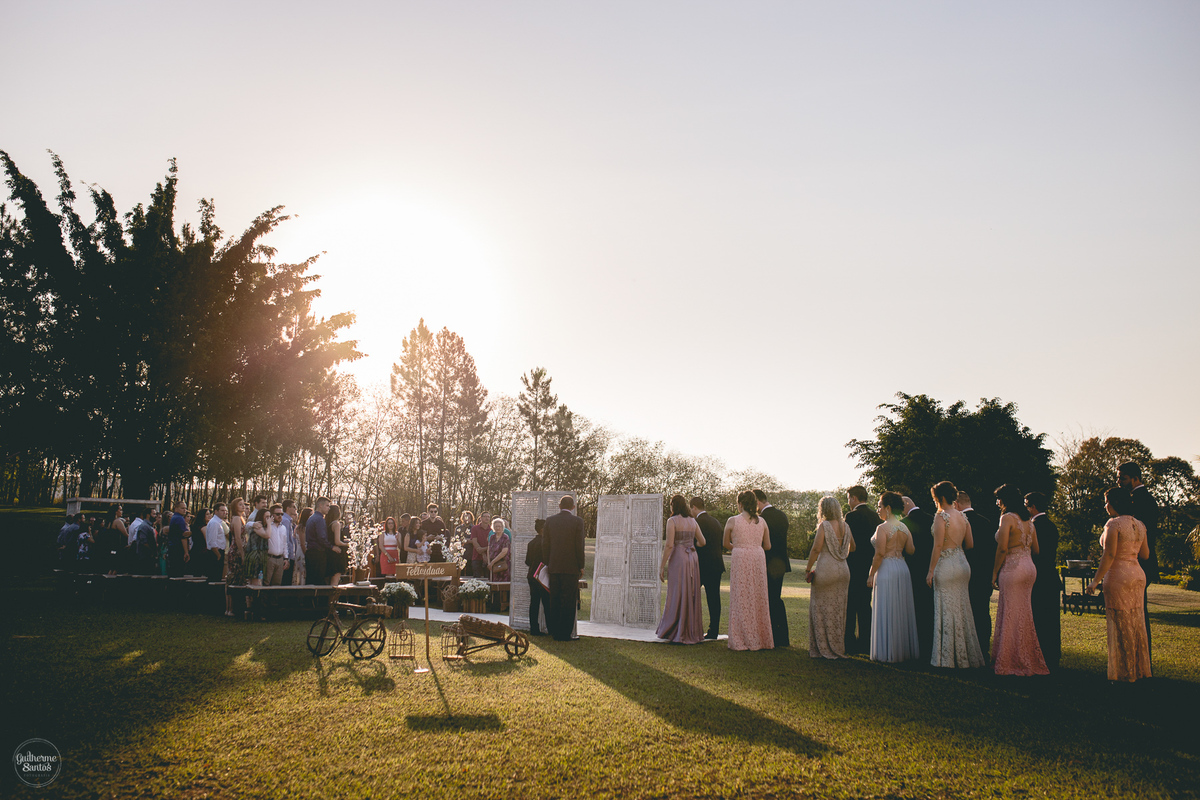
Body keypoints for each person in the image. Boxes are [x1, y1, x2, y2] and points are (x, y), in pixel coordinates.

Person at [1087, 487, 1151, 682]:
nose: (1105, 506)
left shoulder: (1113, 524)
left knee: (1121, 623)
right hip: (1138, 574)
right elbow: (1145, 555)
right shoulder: (1140, 524)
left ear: (1114, 503)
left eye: (1106, 501)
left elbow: (1110, 554)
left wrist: (1095, 581)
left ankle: (1125, 672)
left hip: (1119, 577)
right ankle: (1139, 669)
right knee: (1136, 621)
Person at [991, 484, 1048, 676]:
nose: (997, 502)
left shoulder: (1007, 518)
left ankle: (1009, 661)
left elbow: (1002, 548)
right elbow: (1037, 549)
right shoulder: (1028, 521)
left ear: (1004, 500)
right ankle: (1026, 657)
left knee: (1009, 613)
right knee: (1024, 613)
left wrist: (994, 573)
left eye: (998, 499)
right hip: (1029, 568)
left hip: (1013, 568)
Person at [927, 481, 984, 669]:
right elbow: (971, 544)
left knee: (945, 607)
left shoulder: (941, 517)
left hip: (946, 564)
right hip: (962, 564)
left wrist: (930, 570)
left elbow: (937, 546)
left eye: (935, 498)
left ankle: (948, 657)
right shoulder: (962, 517)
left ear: (940, 498)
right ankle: (965, 655)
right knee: (962, 608)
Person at [869, 492, 920, 663]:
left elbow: (879, 554)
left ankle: (886, 652)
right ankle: (901, 650)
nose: (878, 510)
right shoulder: (904, 527)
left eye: (880, 506)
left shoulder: (882, 528)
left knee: (887, 606)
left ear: (888, 508)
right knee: (899, 608)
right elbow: (911, 550)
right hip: (902, 568)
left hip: (887, 569)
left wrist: (870, 574)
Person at [724, 490, 774, 651]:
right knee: (758, 595)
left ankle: (741, 637)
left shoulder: (732, 521)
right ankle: (761, 638)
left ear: (740, 504)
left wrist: (739, 547)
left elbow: (725, 543)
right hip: (758, 558)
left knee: (741, 595)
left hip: (740, 557)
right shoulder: (763, 522)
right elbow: (768, 546)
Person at [805, 495, 854, 659]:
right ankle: (837, 646)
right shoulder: (845, 526)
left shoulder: (824, 526)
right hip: (843, 570)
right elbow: (852, 547)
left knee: (820, 608)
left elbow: (816, 549)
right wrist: (840, 552)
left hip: (827, 568)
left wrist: (808, 568)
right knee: (838, 609)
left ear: (823, 510)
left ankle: (822, 647)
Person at [1119, 461, 1157, 662]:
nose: (1119, 482)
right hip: (1137, 562)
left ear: (1135, 478)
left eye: (1122, 478)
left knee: (1138, 613)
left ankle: (1141, 658)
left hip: (1140, 562)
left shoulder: (1140, 501)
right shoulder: (1138, 499)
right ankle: (1138, 657)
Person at [656, 494, 705, 645]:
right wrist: (690, 545)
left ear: (673, 506)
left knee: (676, 592)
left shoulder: (672, 521)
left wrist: (662, 565)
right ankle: (691, 630)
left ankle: (674, 629)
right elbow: (702, 542)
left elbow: (670, 545)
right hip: (692, 558)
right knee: (690, 592)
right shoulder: (693, 521)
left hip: (678, 558)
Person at [956, 490, 996, 660]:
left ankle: (968, 649)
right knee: (982, 612)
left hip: (965, 574)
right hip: (984, 574)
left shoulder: (959, 522)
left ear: (956, 504)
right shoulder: (987, 522)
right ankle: (983, 647)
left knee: (966, 612)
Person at [1025, 491, 1061, 669]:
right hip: (1051, 576)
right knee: (1052, 619)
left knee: (1039, 617)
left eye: (1026, 505)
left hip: (1038, 577)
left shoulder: (1034, 527)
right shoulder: (1052, 526)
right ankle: (1053, 655)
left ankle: (1040, 654)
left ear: (1032, 507)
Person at [844, 486, 880, 655]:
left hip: (853, 565)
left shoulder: (851, 516)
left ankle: (849, 643)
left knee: (850, 604)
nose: (848, 502)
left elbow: (847, 542)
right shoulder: (876, 517)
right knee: (865, 605)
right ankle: (866, 643)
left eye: (849, 498)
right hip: (870, 566)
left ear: (854, 498)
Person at [544, 495, 586, 641]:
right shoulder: (577, 521)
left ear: (559, 506)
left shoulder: (550, 521)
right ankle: (565, 633)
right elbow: (579, 545)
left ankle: (554, 630)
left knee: (554, 599)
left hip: (554, 565)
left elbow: (546, 544)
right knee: (568, 600)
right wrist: (581, 566)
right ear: (573, 507)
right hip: (571, 566)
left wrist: (547, 563)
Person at [754, 489, 790, 647]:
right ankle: (782, 635)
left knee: (768, 599)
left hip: (767, 563)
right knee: (776, 598)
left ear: (757, 501)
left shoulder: (761, 519)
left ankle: (772, 635)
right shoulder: (782, 516)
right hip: (780, 563)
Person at [901, 495, 935, 662]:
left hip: (913, 570)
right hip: (931, 569)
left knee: (915, 608)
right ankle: (929, 646)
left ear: (906, 504)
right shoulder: (931, 518)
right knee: (929, 608)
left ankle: (918, 647)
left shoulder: (905, 523)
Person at [690, 497, 726, 640]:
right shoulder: (716, 522)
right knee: (714, 598)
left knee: (691, 596)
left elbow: (694, 544)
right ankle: (714, 630)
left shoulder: (696, 522)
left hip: (701, 566)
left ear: (694, 507)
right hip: (716, 565)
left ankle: (692, 627)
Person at [525, 519, 550, 635]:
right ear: (542, 529)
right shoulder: (546, 543)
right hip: (543, 576)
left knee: (534, 603)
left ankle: (534, 628)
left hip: (532, 575)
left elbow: (527, 561)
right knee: (547, 603)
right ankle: (551, 628)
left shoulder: (531, 543)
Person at [224, 498, 248, 617]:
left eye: (243, 504)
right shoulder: (237, 519)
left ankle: (235, 607)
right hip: (237, 550)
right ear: (235, 507)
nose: (243, 506)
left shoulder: (241, 518)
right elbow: (238, 538)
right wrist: (242, 553)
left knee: (239, 577)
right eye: (240, 504)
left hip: (240, 548)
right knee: (233, 578)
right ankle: (230, 608)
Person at [304, 497, 331, 586]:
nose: (328, 508)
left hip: (311, 552)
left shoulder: (311, 518)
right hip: (317, 553)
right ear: (320, 505)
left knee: (311, 580)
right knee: (318, 581)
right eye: (327, 506)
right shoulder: (319, 519)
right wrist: (331, 547)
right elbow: (321, 538)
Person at [244, 496, 270, 586]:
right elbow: (266, 535)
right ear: (256, 503)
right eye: (263, 503)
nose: (265, 505)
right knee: (255, 581)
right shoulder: (254, 517)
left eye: (266, 503)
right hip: (255, 553)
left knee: (258, 580)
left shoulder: (262, 517)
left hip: (261, 553)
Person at [264, 504, 289, 586]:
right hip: (269, 558)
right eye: (277, 514)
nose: (280, 516)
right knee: (266, 583)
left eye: (282, 514)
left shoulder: (283, 528)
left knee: (277, 584)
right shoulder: (267, 526)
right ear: (272, 515)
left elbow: (285, 544)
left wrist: (286, 558)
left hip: (280, 559)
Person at [205, 503, 230, 584]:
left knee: (218, 577)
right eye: (222, 510)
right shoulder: (214, 523)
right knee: (214, 578)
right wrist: (218, 555)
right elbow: (212, 541)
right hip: (215, 553)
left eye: (226, 511)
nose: (225, 512)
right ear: (216, 511)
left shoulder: (219, 522)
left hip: (219, 552)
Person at [327, 504, 347, 585]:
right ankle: (333, 597)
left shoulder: (328, 524)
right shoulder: (336, 524)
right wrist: (348, 544)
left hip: (329, 553)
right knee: (335, 580)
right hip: (337, 554)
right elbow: (337, 541)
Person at [189, 508, 212, 578]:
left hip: (196, 551)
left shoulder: (195, 526)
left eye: (210, 514)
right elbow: (207, 541)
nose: (209, 516)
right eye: (207, 514)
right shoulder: (203, 527)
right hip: (202, 553)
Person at [291, 506, 310, 585]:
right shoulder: (302, 528)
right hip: (302, 552)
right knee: (302, 572)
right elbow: (302, 543)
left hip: (303, 550)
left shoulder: (306, 527)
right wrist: (306, 554)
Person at [469, 513, 491, 577]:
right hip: (476, 557)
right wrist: (483, 554)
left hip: (489, 558)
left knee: (488, 578)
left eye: (488, 517)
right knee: (476, 579)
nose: (487, 518)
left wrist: (483, 550)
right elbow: (475, 542)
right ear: (481, 518)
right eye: (485, 516)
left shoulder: (492, 529)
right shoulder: (475, 528)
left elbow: (492, 544)